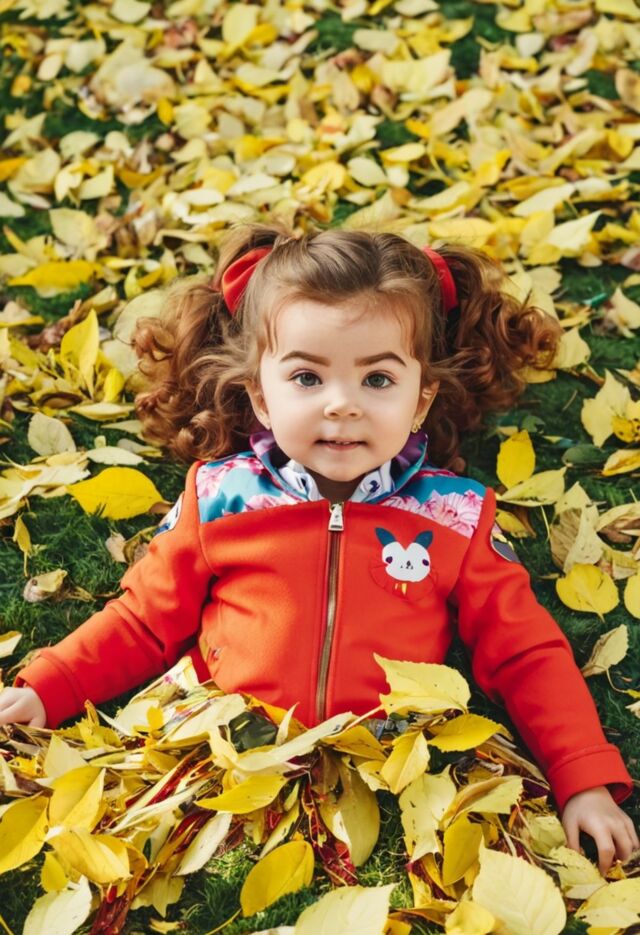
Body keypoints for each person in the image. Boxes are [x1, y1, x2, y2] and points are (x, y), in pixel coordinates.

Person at [0, 220, 637, 873]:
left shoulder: (455, 517)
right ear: (260, 395)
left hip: (392, 764)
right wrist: (52, 686)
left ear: (421, 399)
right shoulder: (219, 499)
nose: (341, 405)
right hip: (230, 747)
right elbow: (143, 621)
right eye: (307, 377)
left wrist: (582, 776)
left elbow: (525, 651)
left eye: (377, 380)